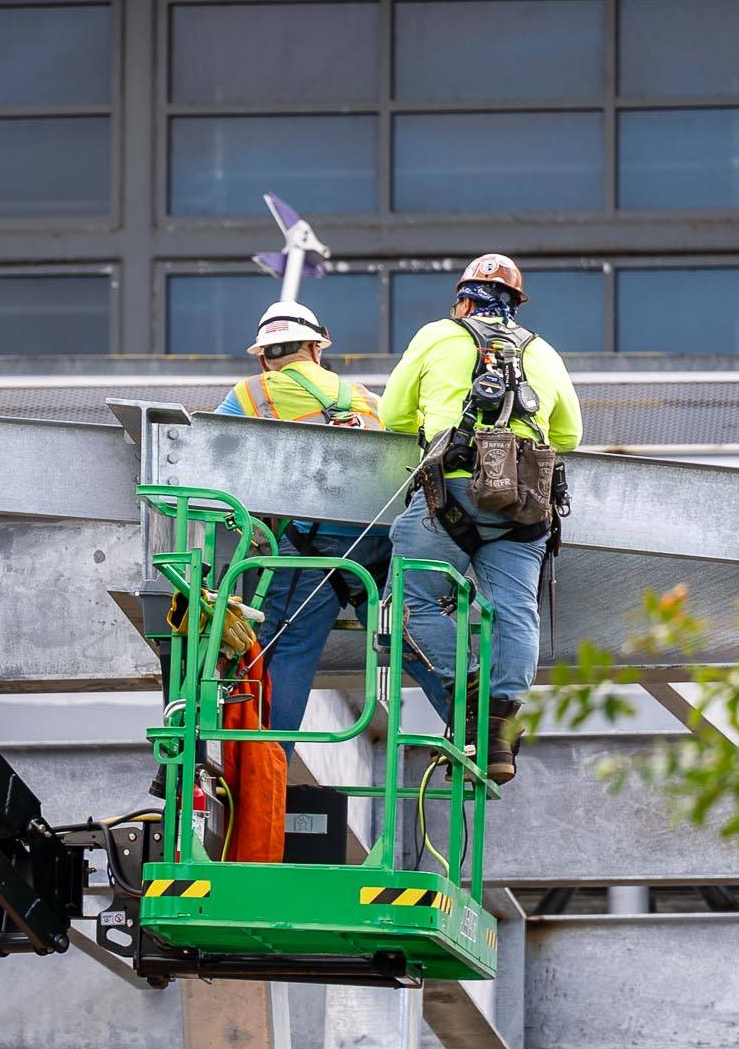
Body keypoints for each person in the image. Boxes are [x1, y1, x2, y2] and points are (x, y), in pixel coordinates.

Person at [378, 253, 581, 783]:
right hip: (524, 504)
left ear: (464, 299)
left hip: (452, 493)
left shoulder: (438, 335)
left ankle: (467, 695)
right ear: (516, 304)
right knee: (515, 612)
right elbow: (569, 438)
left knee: (410, 604)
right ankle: (496, 727)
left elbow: (392, 416)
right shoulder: (545, 351)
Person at [216, 299, 386, 731]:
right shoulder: (367, 398)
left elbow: (205, 455)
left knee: (286, 652)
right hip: (378, 542)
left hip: (309, 546)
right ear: (316, 347)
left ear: (266, 356)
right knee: (402, 638)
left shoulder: (251, 393)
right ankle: (482, 727)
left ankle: (265, 772)